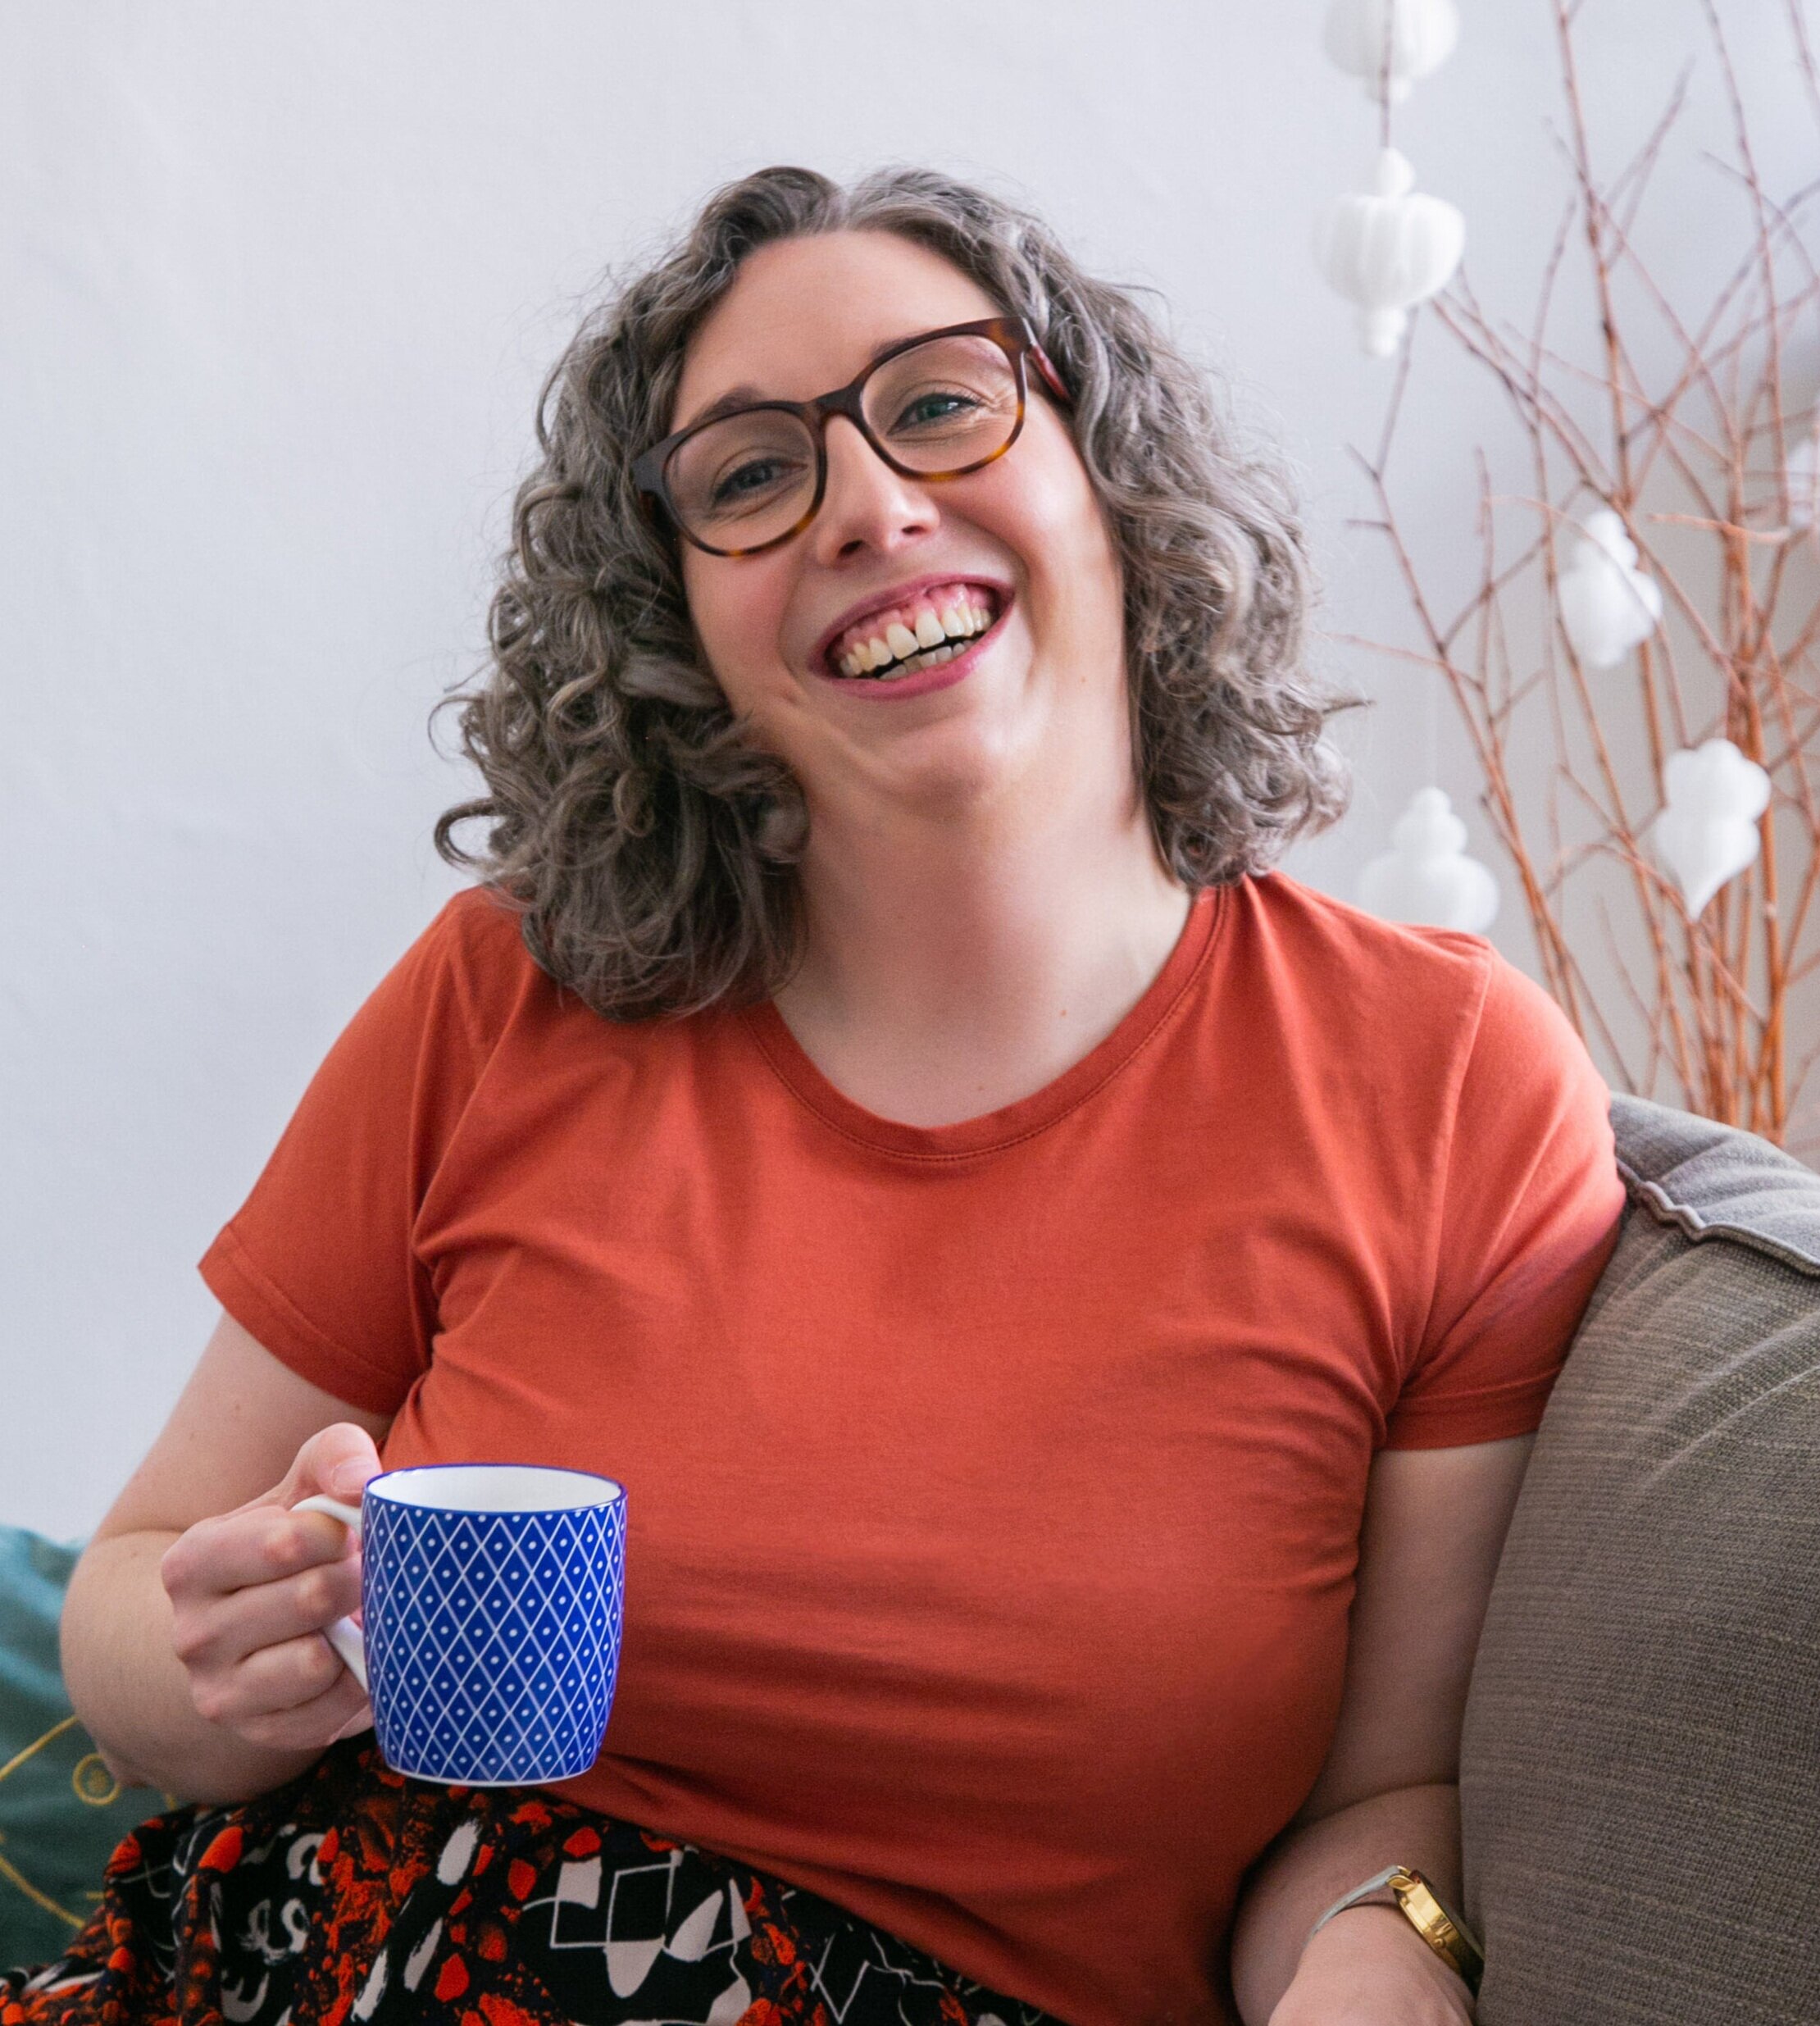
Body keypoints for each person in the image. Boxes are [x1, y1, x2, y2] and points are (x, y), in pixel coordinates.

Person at [22, 165, 1624, 2026]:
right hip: (302, 1960)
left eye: (940, 403)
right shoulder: (506, 993)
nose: (866, 506)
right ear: (674, 629)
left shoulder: (1440, 1082)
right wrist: (219, 1662)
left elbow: (1374, 1799)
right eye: (749, 478)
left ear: (1107, 476)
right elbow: (127, 1610)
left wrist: (1383, 1965)